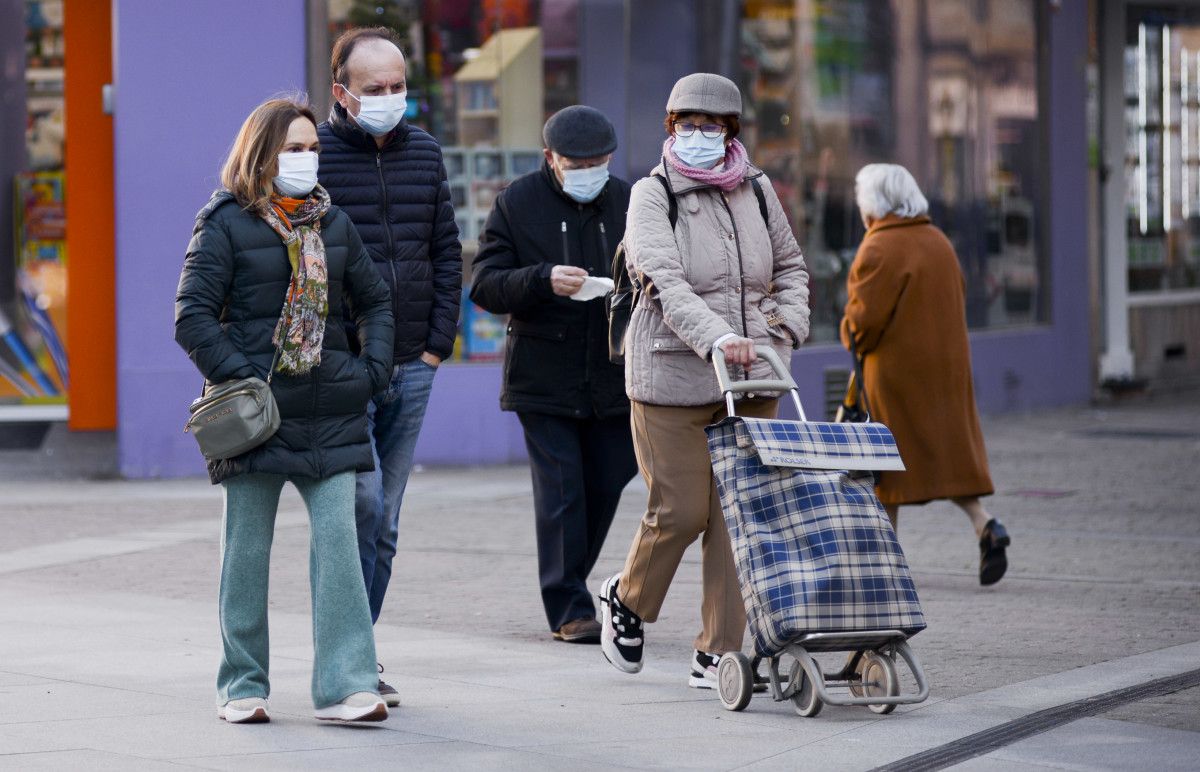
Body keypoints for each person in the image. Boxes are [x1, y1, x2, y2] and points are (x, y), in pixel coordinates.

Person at [175, 97, 394, 724]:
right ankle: (242, 685)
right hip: (258, 419)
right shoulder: (223, 223)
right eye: (293, 149)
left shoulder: (334, 223)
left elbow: (375, 302)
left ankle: (346, 685)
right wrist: (246, 381)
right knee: (245, 553)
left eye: (313, 149)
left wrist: (371, 371)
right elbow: (191, 316)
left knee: (340, 551)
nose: (306, 160)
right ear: (261, 153)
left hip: (332, 411)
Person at [596, 74, 810, 688]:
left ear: (730, 132)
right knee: (683, 511)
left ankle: (719, 652)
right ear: (670, 127)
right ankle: (627, 599)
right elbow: (661, 278)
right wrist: (717, 336)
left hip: (753, 379)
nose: (696, 136)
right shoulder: (651, 193)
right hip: (672, 375)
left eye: (709, 126)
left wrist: (783, 328)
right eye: (685, 125)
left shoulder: (760, 191)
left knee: (738, 517)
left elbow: (792, 267)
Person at [316, 27, 462, 705]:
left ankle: (358, 656)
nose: (391, 99)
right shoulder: (312, 157)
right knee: (362, 505)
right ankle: (344, 656)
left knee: (389, 519)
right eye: (376, 90)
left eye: (399, 86)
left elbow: (445, 249)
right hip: (347, 366)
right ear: (342, 94)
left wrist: (437, 344)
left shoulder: (425, 152)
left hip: (414, 361)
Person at [470, 106, 639, 644]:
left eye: (600, 162)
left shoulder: (631, 199)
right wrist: (543, 280)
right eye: (577, 163)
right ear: (550, 158)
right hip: (544, 374)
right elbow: (486, 284)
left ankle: (569, 578)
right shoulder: (518, 202)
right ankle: (569, 606)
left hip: (616, 373)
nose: (591, 171)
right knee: (563, 488)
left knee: (610, 478)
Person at [839, 163, 1010, 586]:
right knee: (944, 460)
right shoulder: (939, 242)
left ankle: (885, 566)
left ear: (875, 203)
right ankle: (985, 525)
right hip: (945, 372)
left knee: (886, 470)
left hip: (895, 377)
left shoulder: (878, 247)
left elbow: (863, 326)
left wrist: (846, 330)